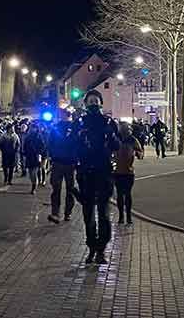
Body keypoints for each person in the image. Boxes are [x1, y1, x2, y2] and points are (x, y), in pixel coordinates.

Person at [74, 89, 120, 265]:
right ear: (85, 104)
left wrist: (111, 135)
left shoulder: (108, 122)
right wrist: (78, 138)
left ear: (101, 103)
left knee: (104, 213)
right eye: (90, 101)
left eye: (96, 100)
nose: (93, 103)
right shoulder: (80, 122)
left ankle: (101, 249)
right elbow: (73, 145)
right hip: (86, 172)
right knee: (88, 214)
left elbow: (117, 146)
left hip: (104, 172)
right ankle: (91, 247)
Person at [47, 116, 78, 224]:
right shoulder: (73, 129)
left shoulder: (56, 129)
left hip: (59, 162)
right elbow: (77, 145)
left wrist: (52, 156)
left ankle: (57, 213)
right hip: (67, 163)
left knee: (58, 189)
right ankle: (65, 213)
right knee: (68, 189)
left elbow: (50, 144)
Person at [115, 122, 144, 225]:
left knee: (127, 194)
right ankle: (121, 216)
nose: (124, 130)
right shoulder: (115, 139)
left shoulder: (132, 140)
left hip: (128, 171)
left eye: (126, 129)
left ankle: (128, 216)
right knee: (119, 194)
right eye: (123, 128)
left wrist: (138, 153)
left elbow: (140, 152)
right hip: (118, 171)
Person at [23, 122, 46, 195]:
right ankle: (33, 183)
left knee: (34, 173)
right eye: (31, 128)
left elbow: (42, 146)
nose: (32, 129)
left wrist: (39, 152)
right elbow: (25, 146)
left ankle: (34, 187)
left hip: (36, 156)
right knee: (30, 173)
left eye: (34, 128)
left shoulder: (39, 136)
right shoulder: (28, 136)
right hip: (29, 157)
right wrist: (25, 153)